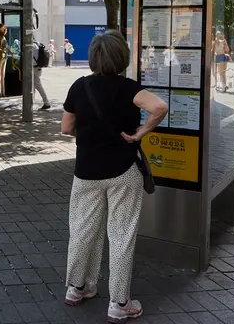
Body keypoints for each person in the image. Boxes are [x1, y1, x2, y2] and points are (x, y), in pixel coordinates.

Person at [61, 31, 168, 323]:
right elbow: (159, 107)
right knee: (121, 235)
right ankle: (119, 303)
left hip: (86, 172)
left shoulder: (79, 86)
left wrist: (89, 133)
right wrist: (141, 132)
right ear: (123, 57)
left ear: (93, 57)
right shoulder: (130, 88)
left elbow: (66, 128)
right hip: (124, 170)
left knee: (82, 230)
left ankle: (77, 288)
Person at [33, 40, 50, 110]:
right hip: (38, 67)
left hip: (34, 68)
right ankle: (31, 102)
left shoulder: (32, 46)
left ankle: (46, 103)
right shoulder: (37, 44)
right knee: (32, 86)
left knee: (38, 86)